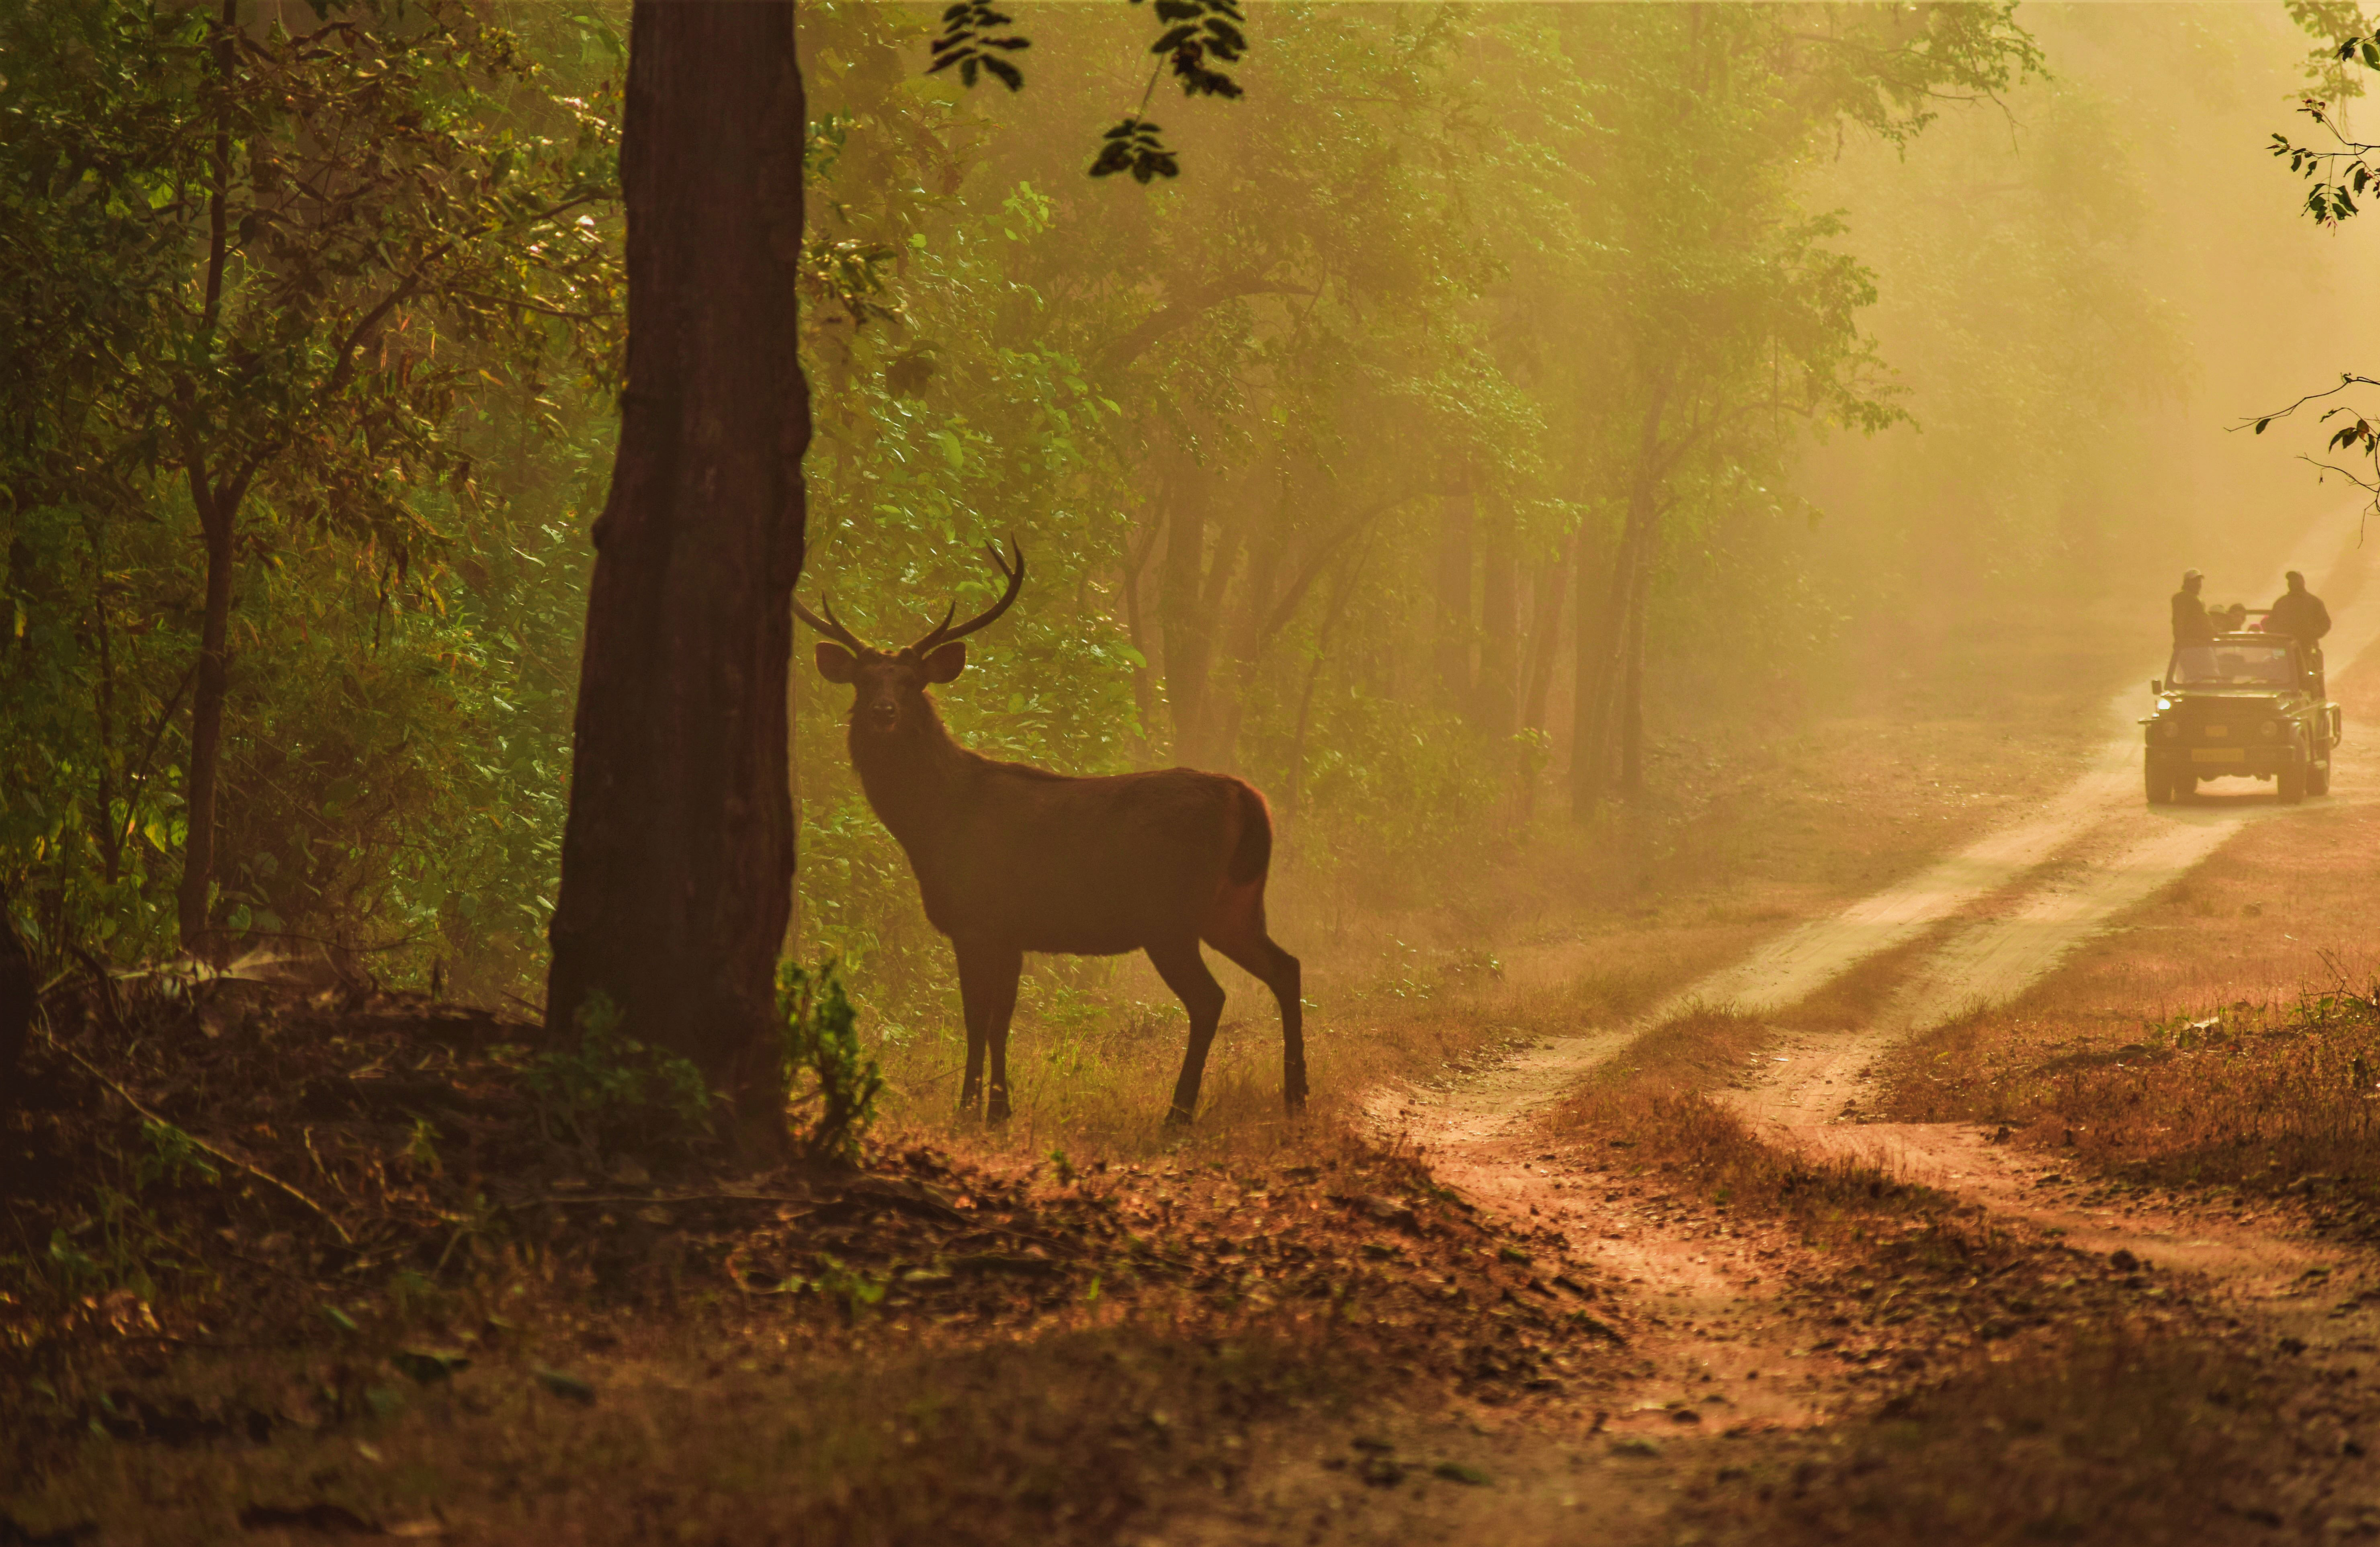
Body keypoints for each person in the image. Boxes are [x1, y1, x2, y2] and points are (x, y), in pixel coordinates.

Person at [2267, 570, 2331, 645]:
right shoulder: (2281, 603)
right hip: (2283, 647)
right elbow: (2270, 623)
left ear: (2303, 582)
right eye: (2291, 580)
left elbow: (2325, 623)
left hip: (2307, 647)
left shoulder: (2314, 602)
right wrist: (2277, 635)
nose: (2293, 582)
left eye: (2296, 579)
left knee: (2308, 657)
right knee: (2275, 656)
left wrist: (2312, 635)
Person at [2171, 570, 2212, 645]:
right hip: (2191, 643)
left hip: (2201, 643)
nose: (2198, 584)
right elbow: (2179, 621)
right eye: (2194, 581)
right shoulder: (2182, 597)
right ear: (2187, 583)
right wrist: (2180, 641)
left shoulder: (2197, 599)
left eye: (2199, 581)